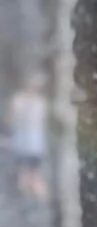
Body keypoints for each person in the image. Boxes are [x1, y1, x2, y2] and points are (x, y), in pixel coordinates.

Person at [8, 72, 48, 203]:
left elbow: (40, 122)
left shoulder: (40, 102)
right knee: (23, 170)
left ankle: (36, 194)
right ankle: (24, 194)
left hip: (34, 141)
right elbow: (11, 118)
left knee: (34, 170)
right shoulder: (19, 99)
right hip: (23, 140)